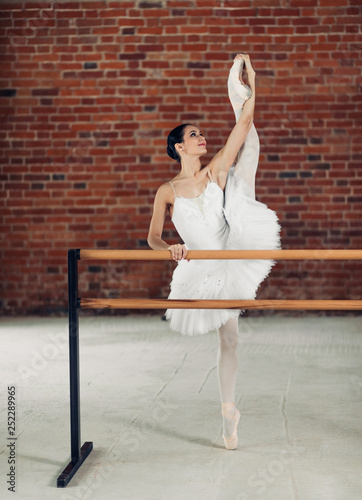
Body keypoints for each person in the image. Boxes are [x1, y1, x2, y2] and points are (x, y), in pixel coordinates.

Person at [147, 54, 280, 450]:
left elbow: (243, 126)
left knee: (230, 340)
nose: (201, 138)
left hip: (229, 255)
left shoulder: (216, 171)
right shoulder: (166, 191)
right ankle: (228, 410)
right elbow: (153, 236)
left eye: (202, 133)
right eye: (193, 135)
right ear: (178, 147)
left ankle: (227, 411)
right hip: (199, 266)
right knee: (228, 338)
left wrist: (251, 83)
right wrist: (170, 247)